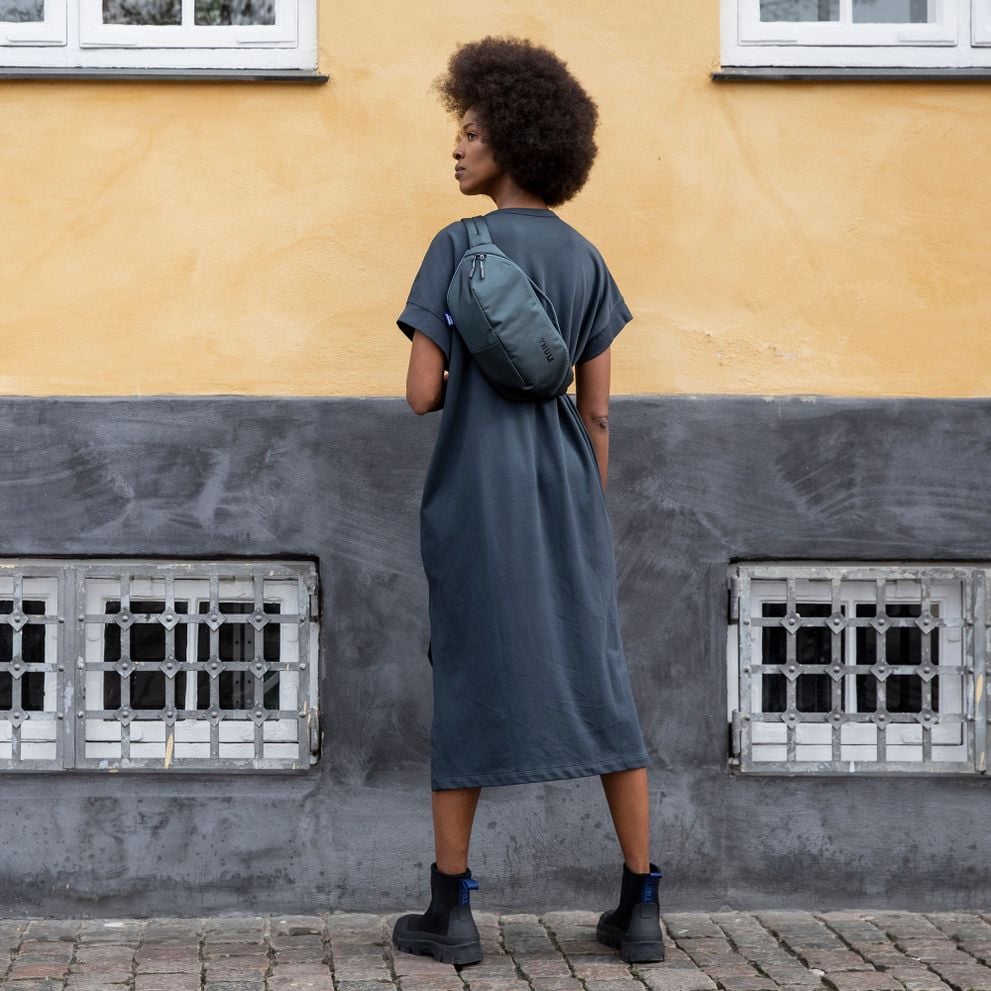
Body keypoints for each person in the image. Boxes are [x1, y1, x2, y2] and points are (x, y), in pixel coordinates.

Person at [393, 36, 664, 967]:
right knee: (600, 685)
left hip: (476, 496)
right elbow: (596, 415)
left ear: (508, 138)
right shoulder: (587, 259)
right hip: (565, 499)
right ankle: (640, 907)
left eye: (468, 132)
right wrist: (583, 511)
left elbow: (423, 394)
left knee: (469, 680)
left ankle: (451, 911)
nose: (456, 149)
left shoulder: (454, 246)